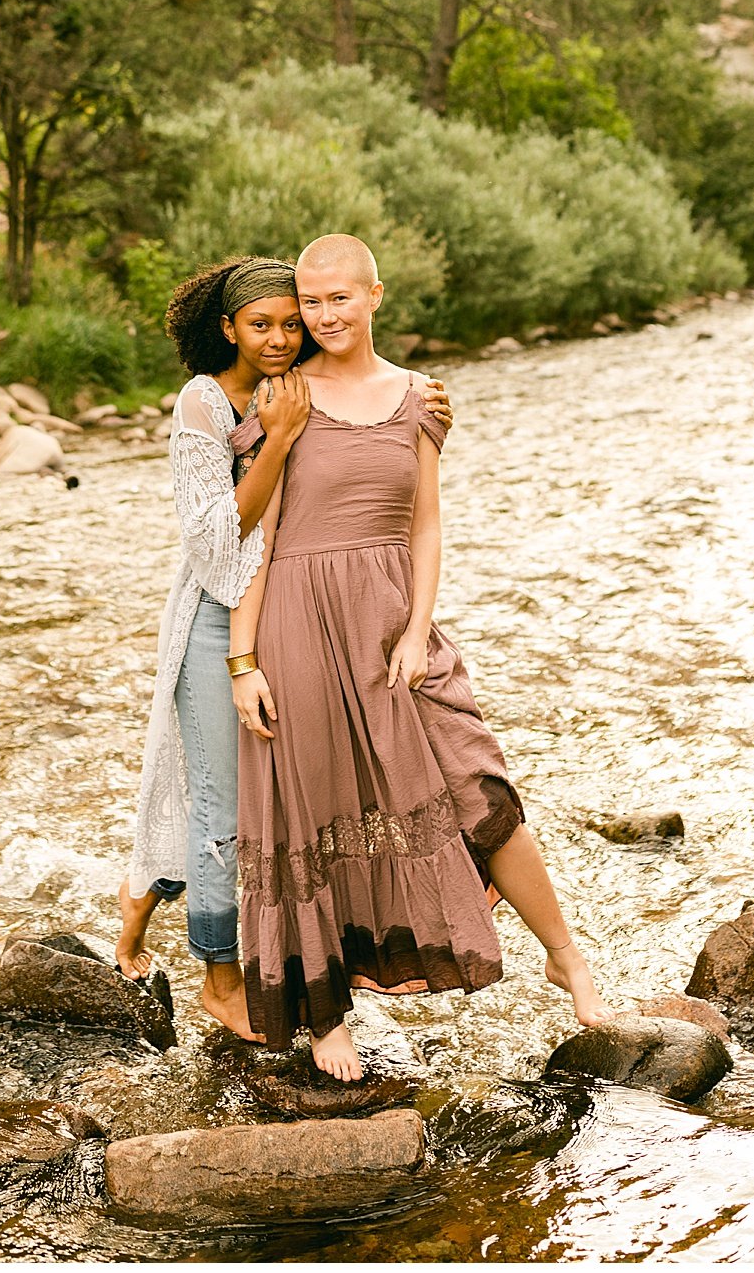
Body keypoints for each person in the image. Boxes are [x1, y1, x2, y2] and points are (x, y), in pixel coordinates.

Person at [229, 233, 615, 1079]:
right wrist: (243, 660)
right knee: (314, 813)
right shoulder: (284, 397)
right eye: (312, 302)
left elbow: (427, 524)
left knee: (479, 785)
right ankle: (327, 1016)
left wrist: (415, 628)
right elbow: (253, 537)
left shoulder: (420, 402)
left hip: (393, 621)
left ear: (376, 296)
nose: (325, 315)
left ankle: (565, 955)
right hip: (299, 621)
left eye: (341, 298)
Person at [119, 254, 452, 1040]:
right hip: (216, 610)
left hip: (290, 608)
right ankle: (220, 978)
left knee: (281, 799)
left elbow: (374, 405)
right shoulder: (202, 403)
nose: (279, 338)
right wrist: (278, 439)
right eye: (260, 325)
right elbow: (218, 538)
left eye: (290, 323)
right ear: (226, 327)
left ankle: (145, 906)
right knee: (223, 804)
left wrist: (429, 402)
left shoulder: (302, 378)